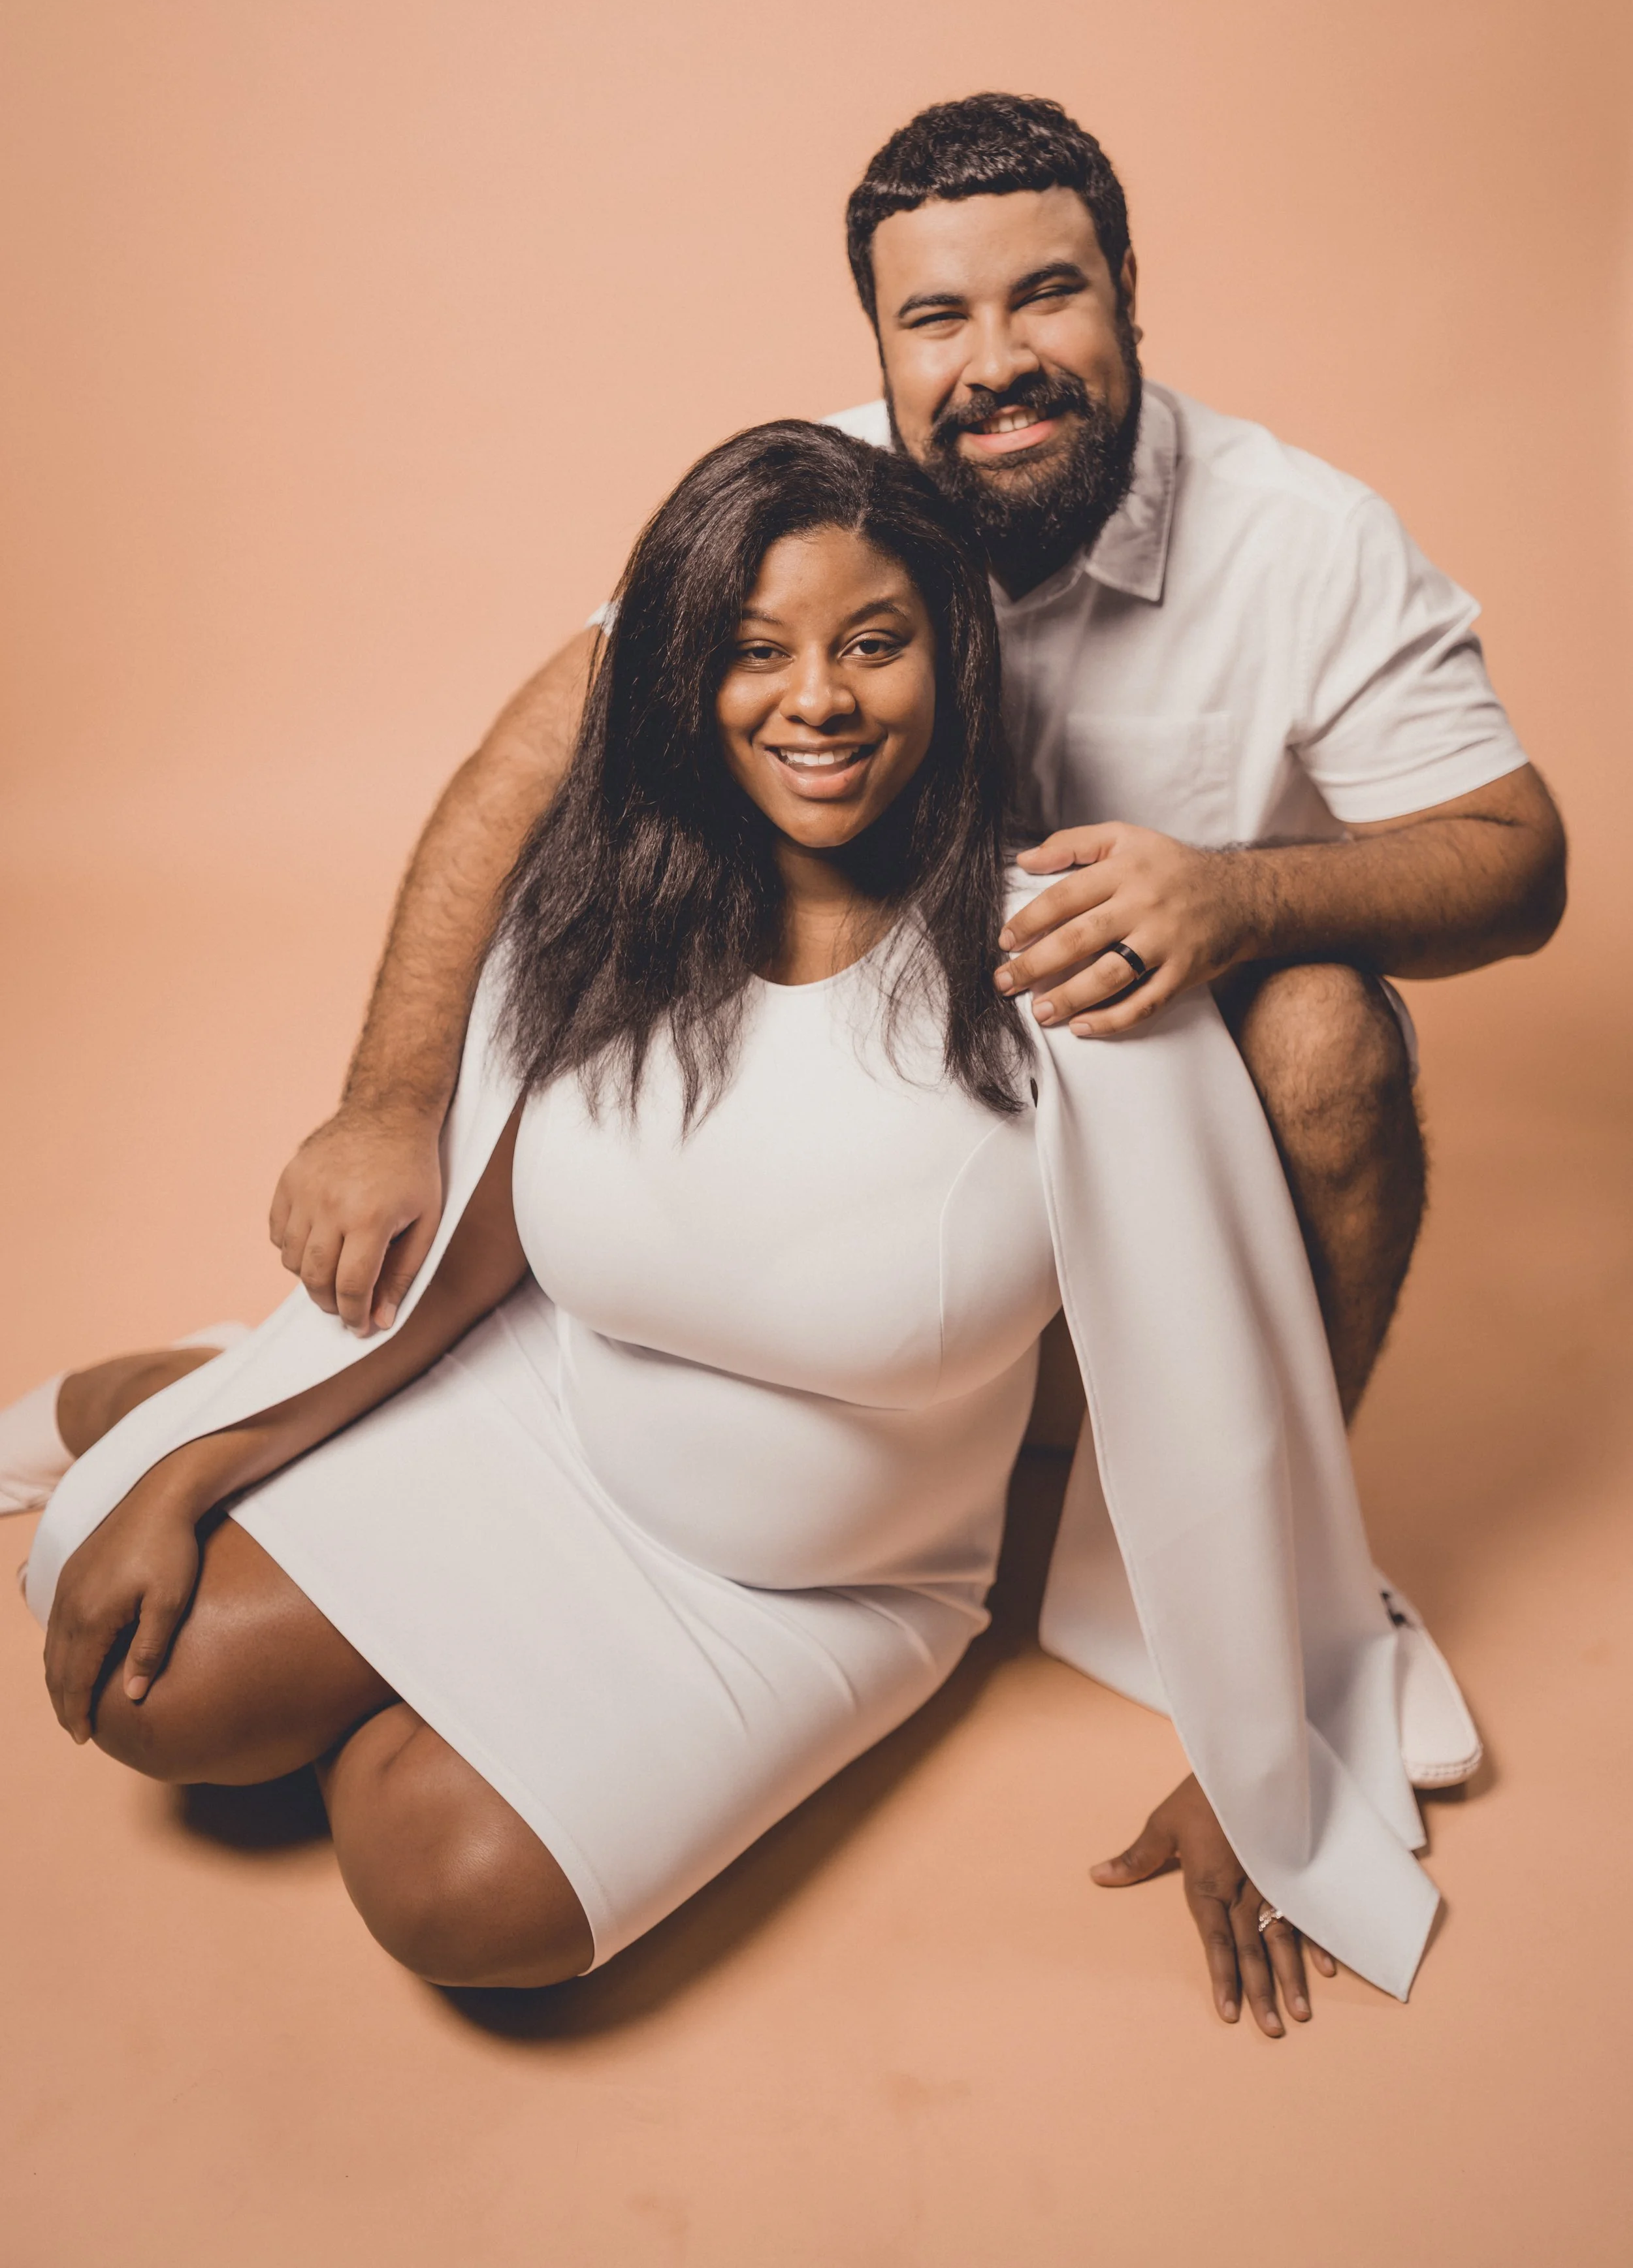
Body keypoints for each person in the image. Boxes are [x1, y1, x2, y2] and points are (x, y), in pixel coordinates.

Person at [13, 426, 1436, 2027]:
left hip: (827, 1591)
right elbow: (478, 1253)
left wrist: (1259, 1759)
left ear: (953, 666)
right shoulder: (601, 909)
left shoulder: (1062, 967)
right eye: (752, 652)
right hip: (544, 1419)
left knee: (453, 1895)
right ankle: (173, 1418)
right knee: (157, 1701)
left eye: (870, 644)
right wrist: (204, 1466)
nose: (813, 700)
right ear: (684, 678)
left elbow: (1217, 1384)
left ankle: (349, 1604)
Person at [265, 96, 1564, 1442]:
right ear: (883, 340)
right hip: (869, 1064)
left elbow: (1515, 861)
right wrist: (385, 1107)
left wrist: (1238, 900)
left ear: (1126, 293)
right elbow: (516, 777)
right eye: (935, 319)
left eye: (1045, 296)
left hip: (1155, 1075)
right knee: (603, 902)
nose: (994, 362)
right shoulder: (818, 503)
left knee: (1325, 1031)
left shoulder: (1308, 541)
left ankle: (1274, 1515)